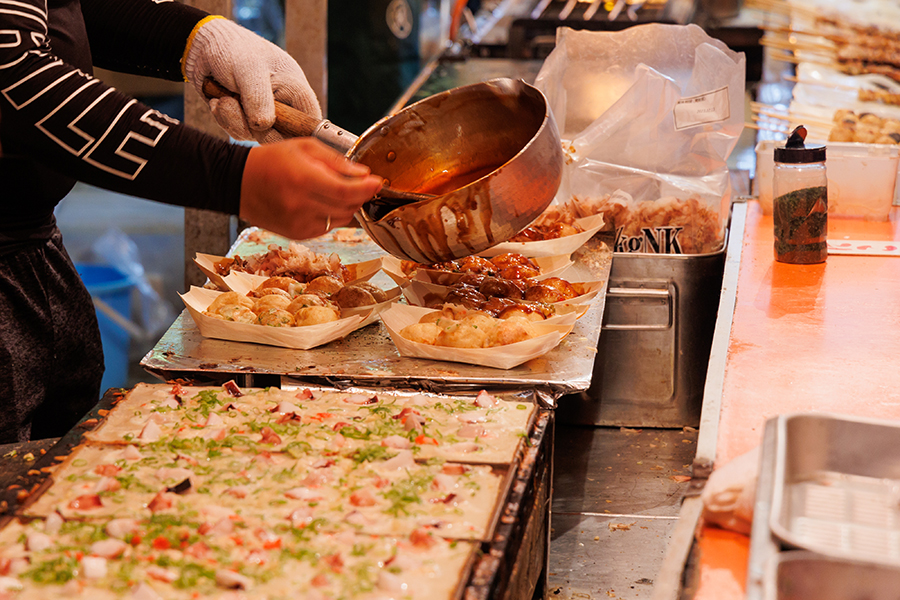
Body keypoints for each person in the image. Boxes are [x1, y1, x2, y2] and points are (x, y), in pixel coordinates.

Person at [0, 0, 384, 443]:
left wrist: (198, 38)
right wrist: (234, 178)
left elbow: (58, 13)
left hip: (36, 247)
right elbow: (11, 71)